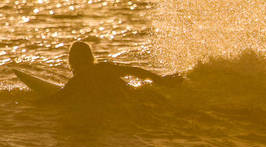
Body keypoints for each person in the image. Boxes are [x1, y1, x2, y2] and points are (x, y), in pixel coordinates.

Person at [51, 41, 180, 102]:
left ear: (72, 60)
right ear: (90, 56)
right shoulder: (104, 67)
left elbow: (56, 99)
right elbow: (136, 71)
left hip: (127, 103)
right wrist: (160, 81)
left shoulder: (77, 81)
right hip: (137, 97)